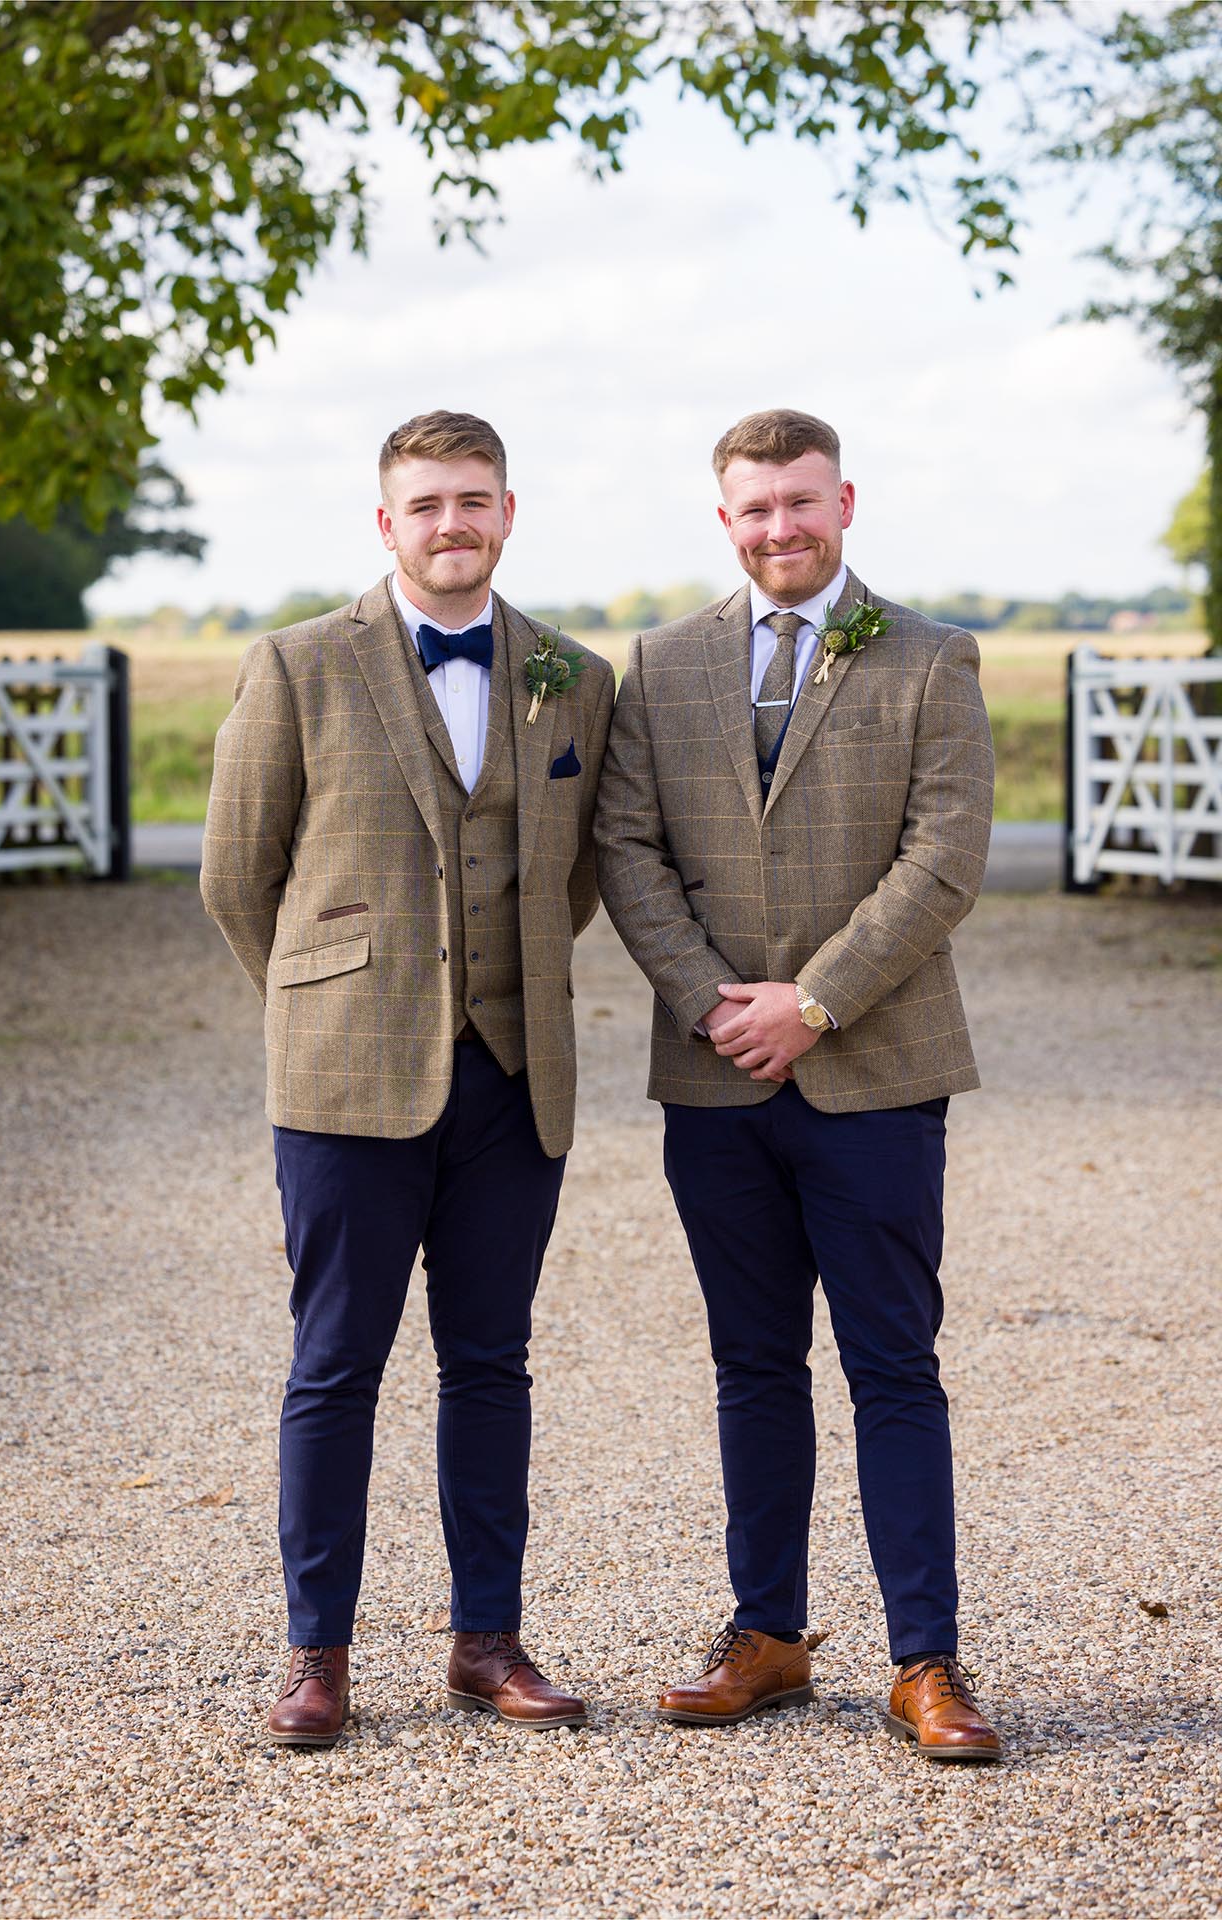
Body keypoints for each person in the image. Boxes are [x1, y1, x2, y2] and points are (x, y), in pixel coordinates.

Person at [201, 410, 615, 1745]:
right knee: (336, 1367)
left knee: (491, 1365)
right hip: (345, 1081)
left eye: (475, 500)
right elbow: (234, 875)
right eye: (427, 503)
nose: (454, 523)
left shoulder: (574, 675)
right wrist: (332, 1003)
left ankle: (484, 1642)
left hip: (516, 1077)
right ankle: (316, 1655)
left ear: (509, 514)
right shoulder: (298, 665)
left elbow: (584, 872)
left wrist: (504, 976)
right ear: (387, 523)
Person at [594, 407, 1001, 1761]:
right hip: (714, 1080)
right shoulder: (658, 666)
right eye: (756, 508)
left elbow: (945, 857)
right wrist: (719, 1002)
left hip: (875, 1071)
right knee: (751, 1366)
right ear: (726, 520)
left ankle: (925, 1663)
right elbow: (628, 850)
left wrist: (814, 1003)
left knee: (894, 1367)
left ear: (845, 503)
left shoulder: (934, 661)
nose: (781, 527)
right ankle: (765, 1636)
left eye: (802, 503)